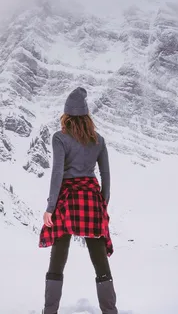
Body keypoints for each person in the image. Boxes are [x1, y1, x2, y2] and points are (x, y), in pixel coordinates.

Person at [39, 87, 117, 314]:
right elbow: (106, 175)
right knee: (100, 261)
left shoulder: (60, 138)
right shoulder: (98, 140)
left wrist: (50, 208)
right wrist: (103, 202)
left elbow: (57, 173)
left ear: (67, 115)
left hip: (67, 201)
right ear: (86, 116)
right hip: (91, 200)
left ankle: (49, 311)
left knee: (58, 258)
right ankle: (110, 311)